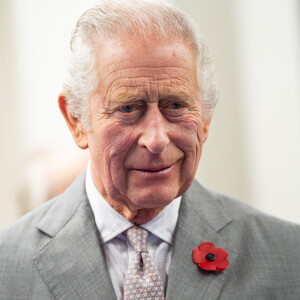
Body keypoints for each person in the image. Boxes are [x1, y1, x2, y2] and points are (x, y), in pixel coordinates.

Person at [1, 0, 300, 299]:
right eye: (128, 108)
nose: (156, 140)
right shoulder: (8, 268)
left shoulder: (287, 256)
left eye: (175, 105)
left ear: (206, 118)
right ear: (77, 120)